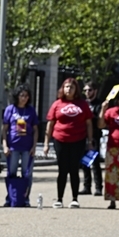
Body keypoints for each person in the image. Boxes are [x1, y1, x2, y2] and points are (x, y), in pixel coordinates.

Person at [45, 77, 94, 208]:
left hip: (78, 140)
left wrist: (90, 141)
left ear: (76, 90)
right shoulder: (57, 104)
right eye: (66, 87)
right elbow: (50, 124)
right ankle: (59, 199)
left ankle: (74, 198)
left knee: (74, 169)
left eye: (71, 87)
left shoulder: (83, 104)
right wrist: (46, 143)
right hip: (60, 139)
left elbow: (89, 123)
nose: (69, 89)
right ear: (62, 89)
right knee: (62, 170)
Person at [2, 83, 39, 206]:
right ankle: (11, 197)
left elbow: (35, 130)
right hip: (13, 147)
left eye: (26, 96)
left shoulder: (31, 110)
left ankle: (25, 198)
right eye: (22, 95)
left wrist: (34, 146)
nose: (24, 98)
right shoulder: (10, 109)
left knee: (26, 173)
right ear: (17, 96)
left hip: (27, 148)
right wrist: (5, 145)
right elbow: (4, 129)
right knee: (11, 173)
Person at [81, 81, 103, 196]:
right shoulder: (83, 103)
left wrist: (89, 115)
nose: (87, 92)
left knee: (95, 162)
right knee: (84, 163)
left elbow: (100, 119)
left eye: (89, 90)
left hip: (94, 136)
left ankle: (98, 187)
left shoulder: (100, 104)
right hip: (82, 135)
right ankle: (86, 187)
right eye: (85, 90)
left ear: (95, 91)